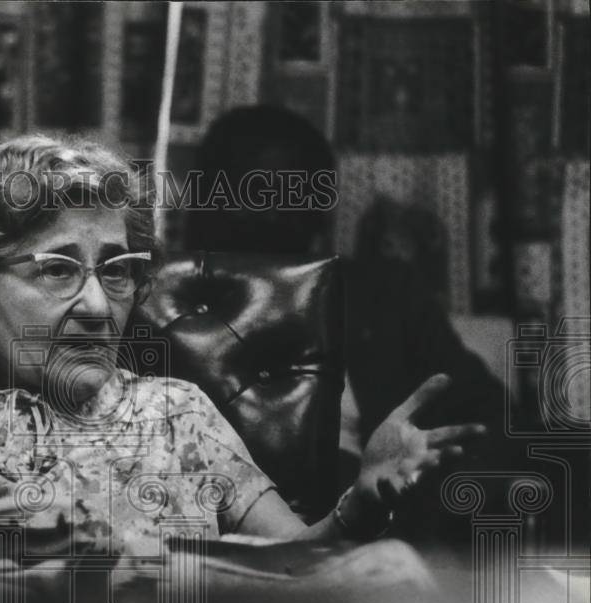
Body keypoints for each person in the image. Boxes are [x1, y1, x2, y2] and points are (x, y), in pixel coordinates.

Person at [0, 135, 483, 553]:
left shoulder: (176, 416)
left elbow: (300, 569)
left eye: (119, 271)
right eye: (59, 270)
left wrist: (364, 499)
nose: (99, 305)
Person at [183, 105, 510, 541]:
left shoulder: (387, 296)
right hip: (220, 539)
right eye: (252, 193)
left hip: (382, 531)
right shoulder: (162, 305)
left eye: (292, 195)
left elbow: (487, 416)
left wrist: (422, 487)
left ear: (321, 213)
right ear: (205, 203)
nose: (272, 215)